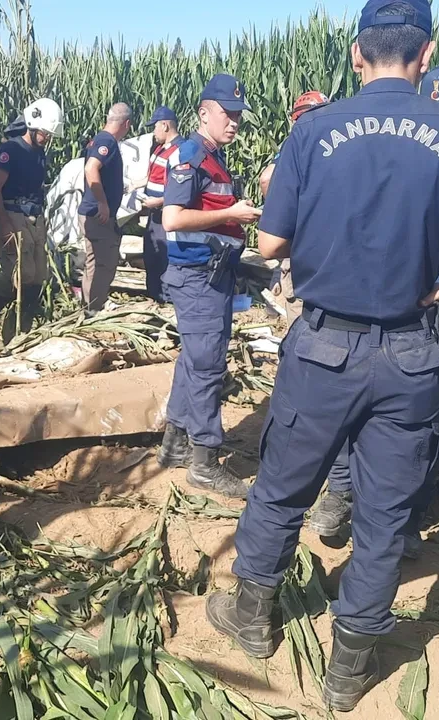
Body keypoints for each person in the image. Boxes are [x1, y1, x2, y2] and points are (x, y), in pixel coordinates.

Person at [202, 0, 439, 712]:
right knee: (387, 514)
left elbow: (269, 245)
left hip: (325, 346)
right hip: (415, 355)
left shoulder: (315, 130)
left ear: (357, 56)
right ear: (425, 58)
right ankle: (348, 670)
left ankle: (252, 619)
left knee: (282, 491)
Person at [309, 64, 439, 558]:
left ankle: (404, 517)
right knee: (366, 403)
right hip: (398, 308)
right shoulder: (412, 145)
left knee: (428, 417)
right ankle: (342, 492)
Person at [153, 74, 262, 498]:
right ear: (204, 113)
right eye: (226, 114)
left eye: (238, 115)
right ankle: (205, 461)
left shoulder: (213, 156)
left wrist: (233, 215)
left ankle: (175, 444)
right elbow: (173, 218)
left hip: (212, 275)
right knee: (208, 366)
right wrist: (231, 212)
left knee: (194, 360)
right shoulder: (192, 154)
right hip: (197, 277)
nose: (234, 122)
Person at [0, 98, 62, 342]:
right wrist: (4, 224)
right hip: (12, 213)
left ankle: (23, 328)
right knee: (19, 274)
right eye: (44, 133)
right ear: (32, 127)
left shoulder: (39, 153)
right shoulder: (11, 151)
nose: (47, 138)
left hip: (34, 216)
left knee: (38, 276)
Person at [261, 91, 330, 324]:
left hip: (299, 247)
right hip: (331, 248)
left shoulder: (297, 143)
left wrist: (277, 215)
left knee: (300, 323)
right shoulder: (336, 142)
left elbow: (266, 178)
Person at [79, 103, 133, 314]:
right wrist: (102, 202)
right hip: (97, 214)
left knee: (94, 261)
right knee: (106, 262)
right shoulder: (107, 142)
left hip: (91, 213)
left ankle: (88, 306)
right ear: (126, 124)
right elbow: (91, 168)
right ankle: (94, 307)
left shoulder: (99, 139)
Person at [141, 106, 184, 302]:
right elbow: (154, 176)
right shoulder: (160, 148)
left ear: (165, 126)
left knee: (164, 257)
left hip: (165, 214)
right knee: (151, 254)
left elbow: (181, 190)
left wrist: (157, 201)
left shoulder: (179, 151)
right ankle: (154, 295)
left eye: (155, 127)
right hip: (153, 213)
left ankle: (166, 298)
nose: (153, 131)